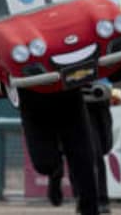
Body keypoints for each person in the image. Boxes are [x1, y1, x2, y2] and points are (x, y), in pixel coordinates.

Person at [19, 89, 99, 215]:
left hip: (69, 96)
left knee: (84, 161)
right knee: (43, 163)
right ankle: (55, 171)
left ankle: (89, 209)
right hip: (32, 100)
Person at [47, 82, 113, 214]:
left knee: (103, 146)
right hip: (70, 99)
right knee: (81, 152)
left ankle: (92, 198)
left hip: (97, 98)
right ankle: (91, 198)